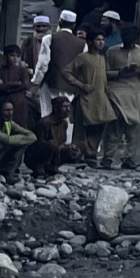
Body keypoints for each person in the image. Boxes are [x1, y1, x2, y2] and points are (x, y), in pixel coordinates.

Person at [66, 32, 121, 167]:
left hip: (101, 98)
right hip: (85, 98)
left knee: (98, 127)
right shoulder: (82, 58)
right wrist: (81, 85)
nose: (101, 42)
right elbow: (66, 72)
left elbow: (104, 77)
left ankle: (91, 154)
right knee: (81, 129)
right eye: (98, 39)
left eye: (103, 39)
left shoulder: (102, 58)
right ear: (90, 42)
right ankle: (77, 154)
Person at [39, 9, 86, 147]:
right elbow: (82, 67)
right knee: (66, 113)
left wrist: (35, 83)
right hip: (70, 86)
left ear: (59, 22)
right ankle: (65, 144)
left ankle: (47, 142)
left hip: (51, 83)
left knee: (47, 112)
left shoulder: (49, 38)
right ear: (74, 25)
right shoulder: (82, 44)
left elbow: (43, 64)